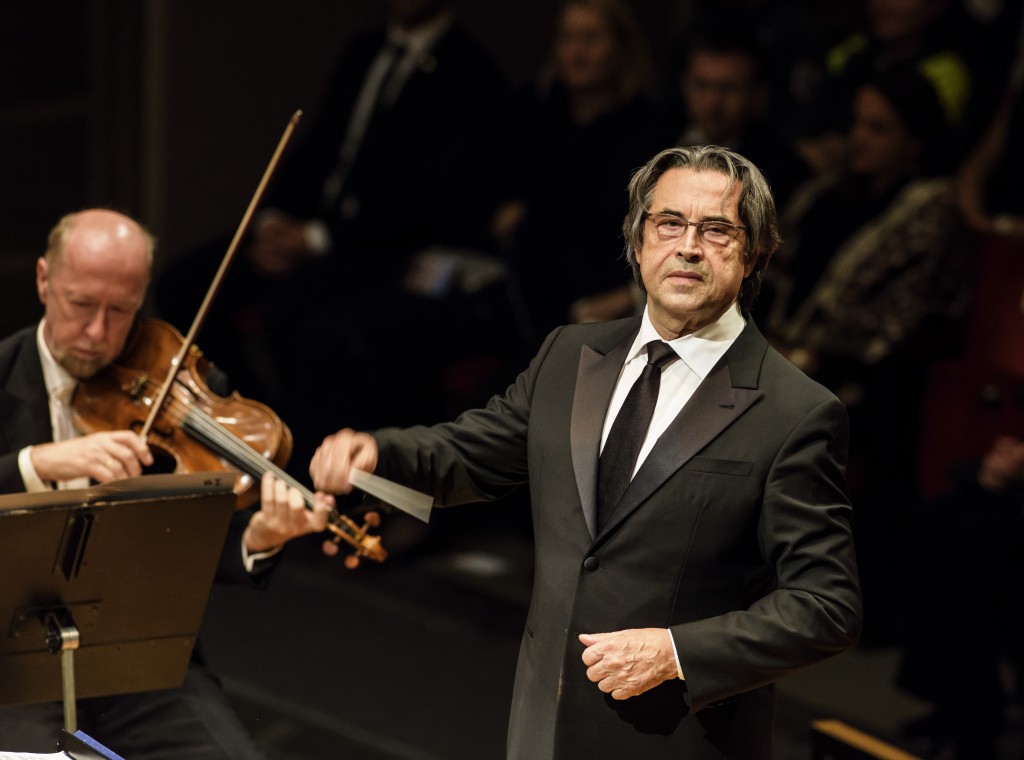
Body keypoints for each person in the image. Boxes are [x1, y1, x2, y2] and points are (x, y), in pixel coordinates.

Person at [297, 145, 862, 758]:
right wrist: (376, 453)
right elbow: (471, 451)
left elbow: (825, 606)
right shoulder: (570, 354)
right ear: (637, 239)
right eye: (668, 222)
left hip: (676, 739)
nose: (689, 246)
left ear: (757, 256)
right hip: (544, 722)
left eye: (717, 229)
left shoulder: (794, 411)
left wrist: (676, 654)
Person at [0, 209, 331, 758]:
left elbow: (196, 543)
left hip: (136, 663)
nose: (97, 333)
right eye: (81, 304)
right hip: (10, 674)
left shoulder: (179, 391)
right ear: (42, 280)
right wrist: (42, 462)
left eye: (121, 311)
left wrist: (259, 537)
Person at [674, 24, 812, 210]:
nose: (712, 103)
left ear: (758, 96)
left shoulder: (779, 170)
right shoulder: (649, 140)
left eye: (728, 89)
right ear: (684, 85)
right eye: (702, 86)